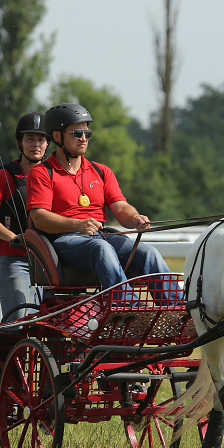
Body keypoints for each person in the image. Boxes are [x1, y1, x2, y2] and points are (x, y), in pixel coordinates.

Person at [26, 102, 180, 303]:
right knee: (102, 249)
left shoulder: (101, 171)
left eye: (87, 134)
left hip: (101, 236)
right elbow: (39, 218)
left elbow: (121, 207)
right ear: (57, 136)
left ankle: (177, 309)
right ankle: (128, 306)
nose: (83, 138)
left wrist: (135, 218)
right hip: (65, 241)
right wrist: (78, 224)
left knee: (148, 252)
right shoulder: (41, 173)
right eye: (77, 133)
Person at [0, 112, 48, 322]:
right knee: (17, 321)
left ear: (48, 144)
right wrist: (13, 237)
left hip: (48, 261)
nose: (35, 145)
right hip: (14, 259)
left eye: (41, 139)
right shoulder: (5, 175)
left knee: (52, 321)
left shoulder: (54, 175)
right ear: (19, 143)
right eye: (30, 139)